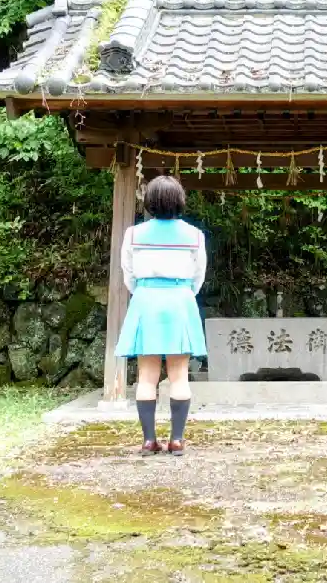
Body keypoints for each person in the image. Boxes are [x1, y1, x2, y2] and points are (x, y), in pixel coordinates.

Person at [114, 175, 207, 456]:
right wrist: (183, 292)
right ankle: (176, 440)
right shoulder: (194, 235)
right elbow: (198, 275)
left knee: (146, 375)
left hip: (146, 299)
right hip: (180, 299)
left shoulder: (133, 234)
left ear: (150, 201)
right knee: (179, 375)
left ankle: (148, 441)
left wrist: (145, 291)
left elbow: (128, 273)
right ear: (179, 201)